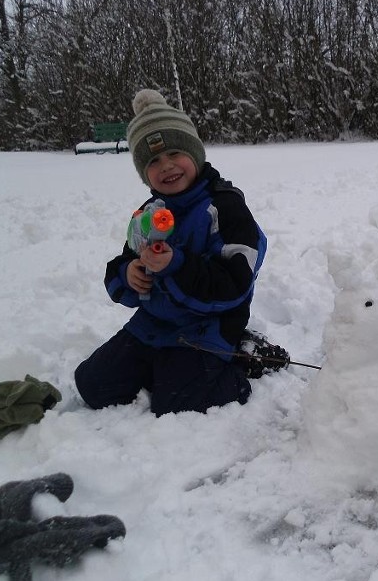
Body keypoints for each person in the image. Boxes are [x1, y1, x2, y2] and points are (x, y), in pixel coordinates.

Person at [75, 89, 287, 416]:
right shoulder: (149, 213)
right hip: (154, 325)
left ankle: (243, 359)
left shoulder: (226, 207)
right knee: (93, 385)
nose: (167, 166)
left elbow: (234, 286)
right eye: (153, 160)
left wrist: (177, 264)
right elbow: (123, 261)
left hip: (209, 327)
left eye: (175, 152)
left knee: (176, 404)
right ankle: (166, 367)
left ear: (195, 152)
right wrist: (128, 274)